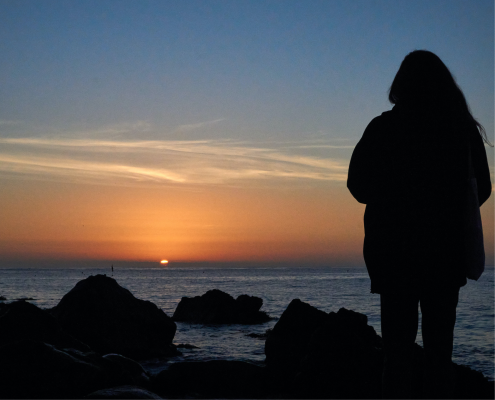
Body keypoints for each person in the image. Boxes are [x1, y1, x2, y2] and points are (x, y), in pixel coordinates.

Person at [347, 50, 491, 399]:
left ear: (401, 85)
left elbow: (357, 186)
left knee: (396, 355)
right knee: (440, 355)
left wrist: (392, 197)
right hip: (445, 255)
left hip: (393, 255)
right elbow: (482, 189)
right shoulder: (460, 131)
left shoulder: (384, 128)